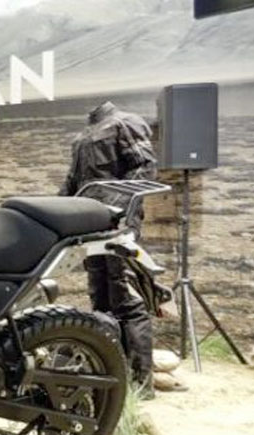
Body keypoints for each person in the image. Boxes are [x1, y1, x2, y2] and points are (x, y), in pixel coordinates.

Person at [61, 101, 165, 399]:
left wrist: (117, 210)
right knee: (100, 296)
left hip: (117, 225)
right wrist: (57, 212)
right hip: (91, 225)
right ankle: (111, 374)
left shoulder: (124, 122)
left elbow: (144, 168)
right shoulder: (83, 136)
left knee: (125, 296)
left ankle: (140, 384)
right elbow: (73, 183)